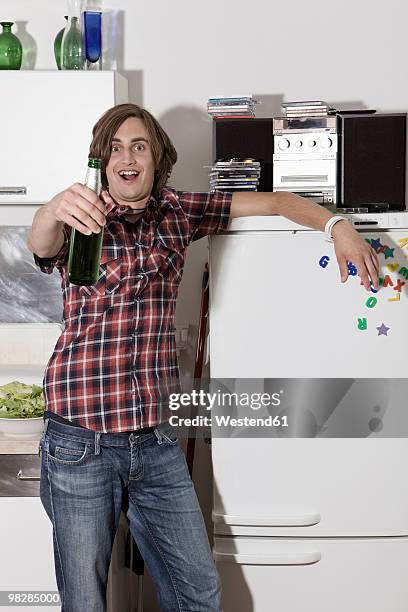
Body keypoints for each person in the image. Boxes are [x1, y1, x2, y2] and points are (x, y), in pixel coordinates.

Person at [26, 103, 379, 612]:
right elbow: (40, 240)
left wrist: (338, 226)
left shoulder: (180, 211)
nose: (127, 157)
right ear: (101, 162)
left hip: (156, 443)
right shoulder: (80, 215)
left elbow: (276, 202)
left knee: (199, 594)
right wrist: (53, 208)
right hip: (81, 444)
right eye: (115, 148)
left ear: (157, 159)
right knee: (84, 601)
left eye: (139, 146)